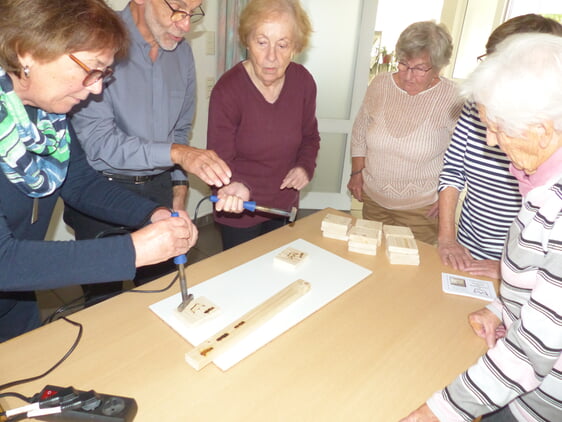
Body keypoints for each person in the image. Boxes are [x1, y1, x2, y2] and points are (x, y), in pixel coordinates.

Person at [0, 0, 197, 342]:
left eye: (104, 74)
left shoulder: (49, 117)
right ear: (26, 52)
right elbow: (5, 260)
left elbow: (79, 182)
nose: (96, 89)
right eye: (91, 69)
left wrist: (154, 213)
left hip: (16, 304)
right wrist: (133, 250)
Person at [401, 33, 562, 422]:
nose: (490, 140)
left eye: (498, 129)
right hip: (518, 392)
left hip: (538, 407)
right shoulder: (540, 184)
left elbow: (531, 353)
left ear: (542, 129)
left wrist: (434, 413)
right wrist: (502, 308)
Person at [64, 0, 231, 302]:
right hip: (100, 194)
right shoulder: (97, 39)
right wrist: (179, 153)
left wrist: (178, 195)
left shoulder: (181, 52)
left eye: (193, 13)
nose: (185, 25)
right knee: (105, 307)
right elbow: (102, 145)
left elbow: (179, 131)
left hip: (158, 191)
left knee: (161, 297)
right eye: (178, 8)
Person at [437, 14, 562, 280]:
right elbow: (453, 170)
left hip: (522, 264)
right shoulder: (478, 105)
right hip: (471, 244)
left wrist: (511, 267)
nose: (490, 139)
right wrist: (448, 238)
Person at [207, 0, 320, 250]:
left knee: (279, 270)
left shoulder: (303, 82)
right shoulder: (228, 91)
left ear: (295, 48)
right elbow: (218, 159)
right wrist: (232, 186)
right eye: (262, 42)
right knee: (242, 277)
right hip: (239, 205)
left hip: (283, 203)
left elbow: (310, 137)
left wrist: (304, 167)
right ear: (247, 41)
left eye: (283, 44)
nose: (272, 57)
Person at [348, 21, 463, 245]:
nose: (408, 76)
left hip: (421, 210)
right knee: (370, 260)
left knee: (411, 271)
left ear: (438, 67)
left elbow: (463, 158)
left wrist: (447, 200)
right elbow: (360, 129)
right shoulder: (380, 84)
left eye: (419, 68)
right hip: (374, 200)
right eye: (403, 64)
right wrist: (356, 173)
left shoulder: (453, 98)